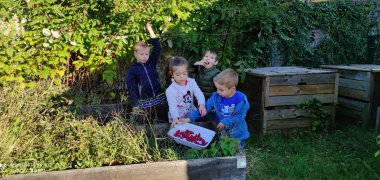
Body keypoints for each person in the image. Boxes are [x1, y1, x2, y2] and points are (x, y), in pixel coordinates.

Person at [173, 68, 250, 148]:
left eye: (221, 90)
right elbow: (204, 109)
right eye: (217, 88)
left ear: (232, 88)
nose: (218, 92)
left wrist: (225, 121)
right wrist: (189, 118)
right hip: (222, 132)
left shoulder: (241, 99)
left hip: (237, 134)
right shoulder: (216, 97)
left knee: (234, 150)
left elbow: (240, 117)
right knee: (220, 148)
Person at [125, 22, 166, 119]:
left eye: (146, 54)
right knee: (148, 119)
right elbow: (132, 88)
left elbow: (157, 47)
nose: (144, 57)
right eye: (141, 54)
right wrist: (135, 105)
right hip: (145, 101)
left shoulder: (151, 62)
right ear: (135, 54)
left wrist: (150, 30)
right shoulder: (132, 70)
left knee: (162, 117)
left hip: (159, 97)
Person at [165, 56, 207, 123]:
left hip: (190, 114)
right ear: (172, 74)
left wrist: (201, 104)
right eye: (178, 75)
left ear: (187, 71)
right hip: (177, 117)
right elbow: (173, 107)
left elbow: (199, 94)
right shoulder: (170, 90)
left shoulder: (191, 82)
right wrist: (175, 118)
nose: (182, 77)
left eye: (184, 73)